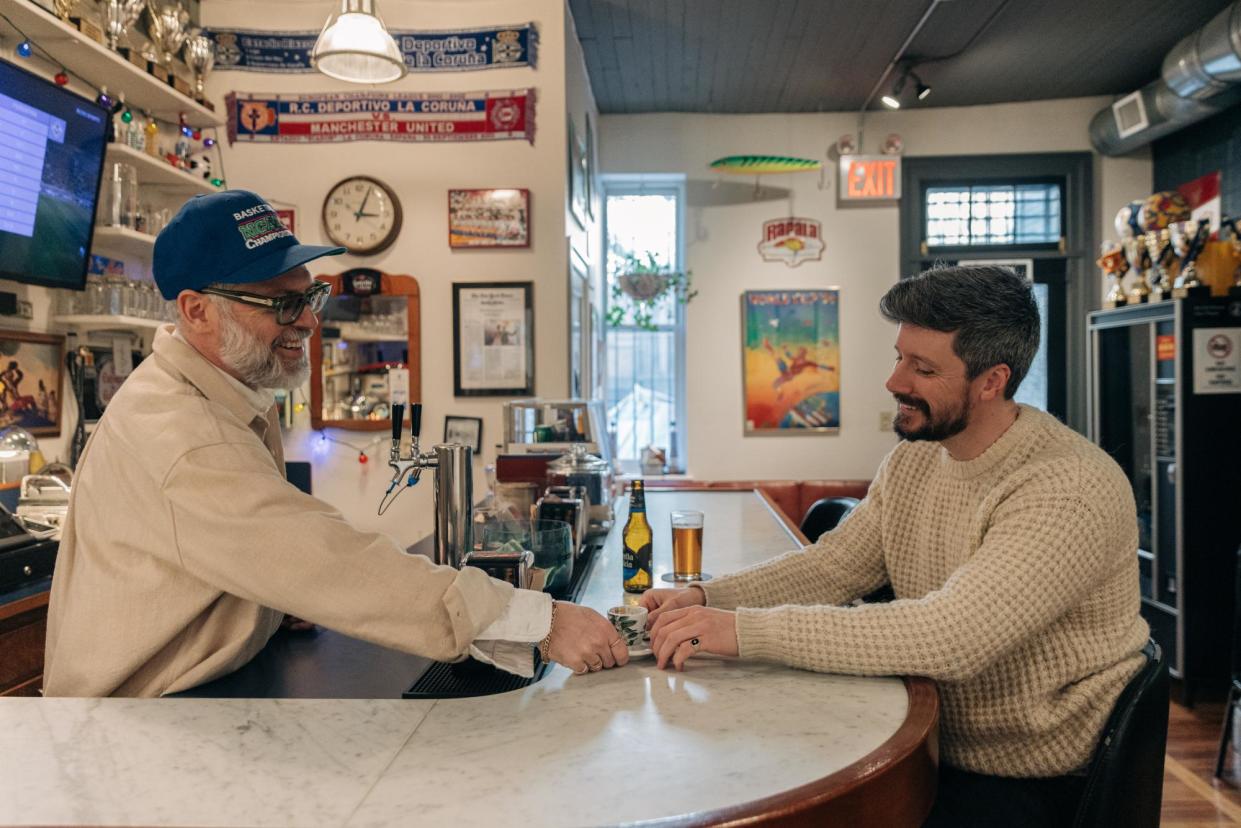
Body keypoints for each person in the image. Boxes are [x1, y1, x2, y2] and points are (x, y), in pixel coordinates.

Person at [43, 190, 626, 697]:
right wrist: (538, 622)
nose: (308, 322)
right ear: (197, 311)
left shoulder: (231, 391)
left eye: (310, 297)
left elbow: (261, 557)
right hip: (124, 732)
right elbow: (324, 560)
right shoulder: (181, 435)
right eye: (283, 304)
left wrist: (264, 604)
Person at [642, 265, 1149, 826]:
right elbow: (834, 567)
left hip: (1028, 775)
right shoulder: (916, 457)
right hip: (933, 740)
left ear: (991, 381)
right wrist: (706, 599)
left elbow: (952, 635)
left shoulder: (1069, 486)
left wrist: (741, 631)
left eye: (923, 368)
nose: (894, 381)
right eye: (899, 356)